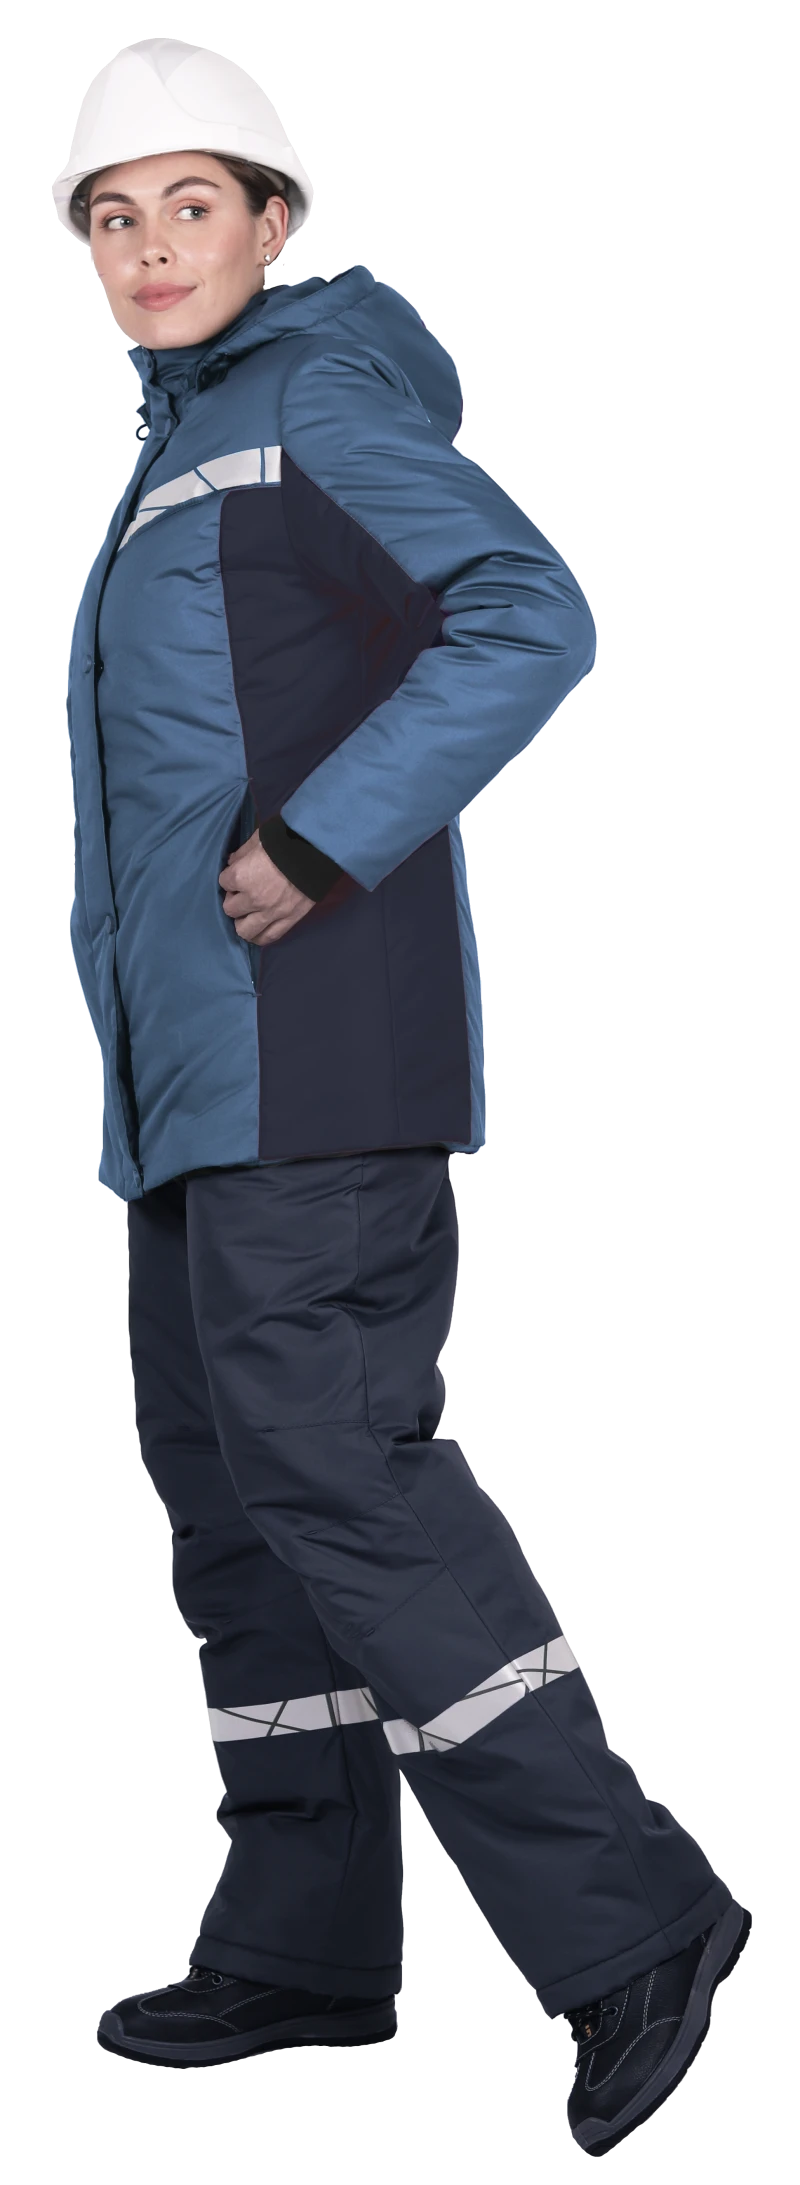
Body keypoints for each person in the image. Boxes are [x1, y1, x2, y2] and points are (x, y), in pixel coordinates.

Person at [53, 36, 750, 2138]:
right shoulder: (177, 449)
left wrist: (322, 841)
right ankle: (305, 1938)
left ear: (278, 222)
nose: (151, 246)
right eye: (112, 217)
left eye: (192, 205)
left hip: (315, 1057)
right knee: (230, 1499)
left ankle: (632, 1919)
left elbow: (532, 612)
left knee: (336, 1466)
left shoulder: (316, 404)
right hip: (191, 1087)